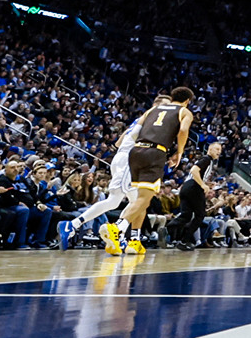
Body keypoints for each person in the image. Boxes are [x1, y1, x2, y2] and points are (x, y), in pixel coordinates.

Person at [111, 86, 195, 257]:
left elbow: (135, 130)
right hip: (155, 152)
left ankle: (134, 241)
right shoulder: (185, 112)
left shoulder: (153, 109)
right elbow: (184, 130)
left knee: (140, 199)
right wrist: (179, 152)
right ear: (187, 101)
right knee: (144, 198)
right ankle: (118, 228)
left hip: (135, 151)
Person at [75, 105, 152, 250]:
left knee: (137, 202)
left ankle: (126, 237)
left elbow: (117, 143)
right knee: (121, 201)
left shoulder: (138, 121)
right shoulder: (151, 121)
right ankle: (115, 231)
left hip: (123, 158)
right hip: (129, 159)